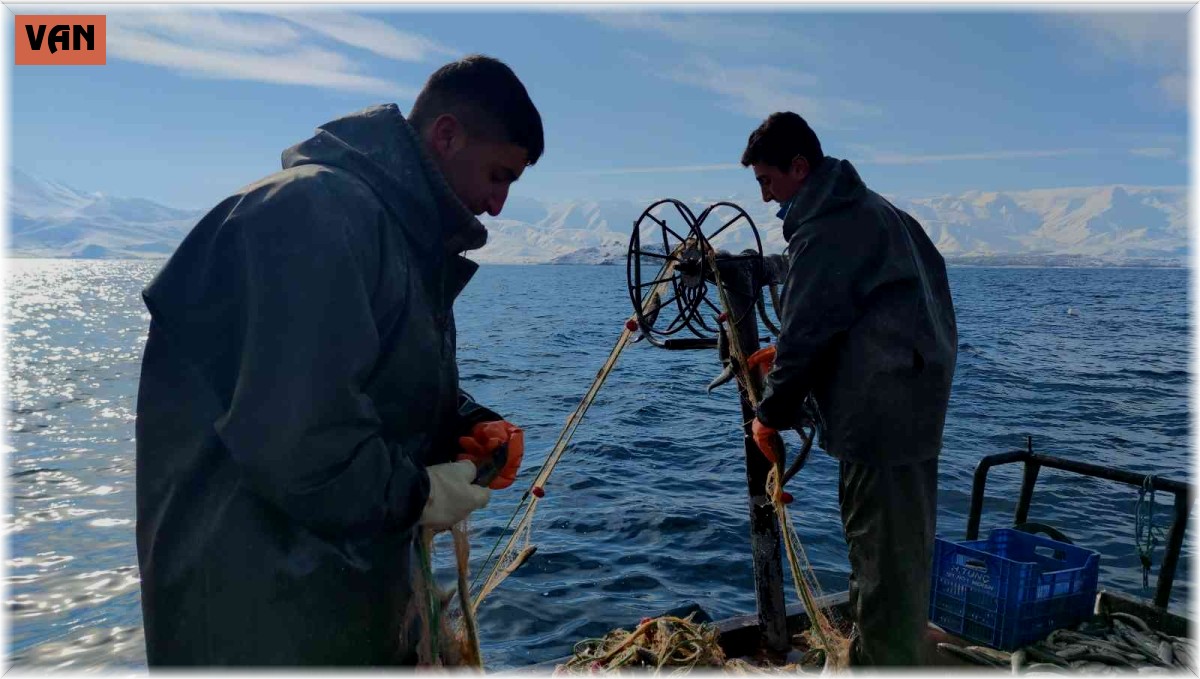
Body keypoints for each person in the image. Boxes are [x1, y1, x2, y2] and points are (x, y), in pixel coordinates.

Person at [134, 54, 541, 666]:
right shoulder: (308, 214)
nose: (499, 204)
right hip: (260, 623)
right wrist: (421, 494)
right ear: (447, 134)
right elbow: (302, 441)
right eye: (498, 174)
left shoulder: (390, 234)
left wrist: (463, 424)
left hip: (332, 604)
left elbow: (365, 382)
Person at [739, 112, 958, 666]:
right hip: (913, 413)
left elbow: (810, 330)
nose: (765, 197)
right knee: (898, 554)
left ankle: (883, 660)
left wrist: (770, 413)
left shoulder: (828, 228)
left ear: (799, 167)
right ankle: (890, 648)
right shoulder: (885, 214)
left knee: (880, 560)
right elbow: (869, 312)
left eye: (768, 181)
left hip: (878, 424)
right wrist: (796, 353)